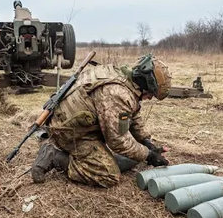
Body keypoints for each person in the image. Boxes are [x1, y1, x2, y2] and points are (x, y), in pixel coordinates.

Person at [31, 53, 172, 188]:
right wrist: (148, 155)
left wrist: (146, 141)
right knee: (109, 175)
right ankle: (54, 156)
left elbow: (133, 114)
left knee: (132, 156)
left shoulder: (122, 77)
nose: (150, 98)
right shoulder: (117, 94)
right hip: (69, 134)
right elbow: (117, 141)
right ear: (146, 84)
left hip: (74, 124)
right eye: (151, 94)